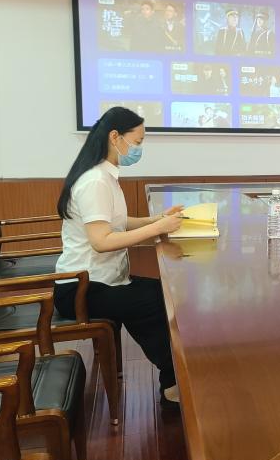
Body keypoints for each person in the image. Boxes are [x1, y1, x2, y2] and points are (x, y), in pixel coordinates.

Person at [55, 107, 184, 405]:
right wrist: (158, 229)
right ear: (115, 137)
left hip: (101, 280)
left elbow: (117, 223)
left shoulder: (104, 175)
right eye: (137, 142)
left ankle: (174, 378)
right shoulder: (95, 181)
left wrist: (157, 220)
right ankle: (172, 383)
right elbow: (101, 241)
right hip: (81, 289)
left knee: (162, 293)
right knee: (153, 302)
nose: (139, 148)